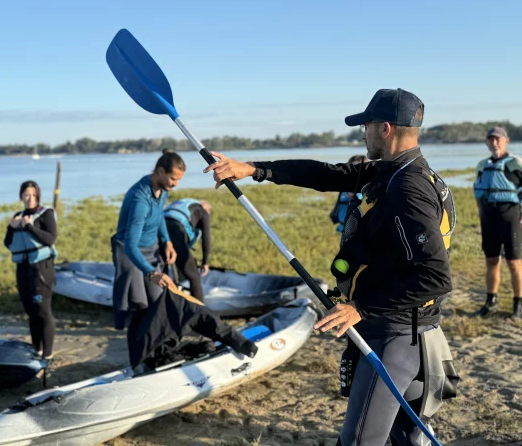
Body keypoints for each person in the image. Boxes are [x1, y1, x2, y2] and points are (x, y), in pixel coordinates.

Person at [204, 88, 458, 445]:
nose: (363, 133)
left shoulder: (408, 187)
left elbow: (435, 277)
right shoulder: (396, 172)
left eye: (366, 126)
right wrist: (254, 170)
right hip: (407, 331)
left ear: (385, 128)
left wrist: (360, 308)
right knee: (402, 439)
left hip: (396, 337)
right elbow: (326, 174)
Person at [111, 150, 182, 355]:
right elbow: (131, 246)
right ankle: (137, 357)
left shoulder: (162, 189)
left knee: (159, 302)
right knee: (140, 308)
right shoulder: (139, 199)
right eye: (173, 178)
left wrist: (167, 241)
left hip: (151, 250)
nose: (175, 184)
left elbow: (159, 216)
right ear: (160, 171)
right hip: (130, 254)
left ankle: (156, 350)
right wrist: (152, 273)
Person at [4, 180, 58, 360]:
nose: (30, 198)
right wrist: (11, 228)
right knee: (31, 311)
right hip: (23, 268)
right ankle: (37, 349)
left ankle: (48, 354)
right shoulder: (17, 216)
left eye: (33, 195)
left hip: (41, 269)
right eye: (26, 195)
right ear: (21, 196)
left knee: (43, 310)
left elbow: (50, 239)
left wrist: (29, 226)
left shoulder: (46, 214)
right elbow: (8, 243)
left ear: (38, 196)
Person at [473, 126, 522, 318]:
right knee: (491, 260)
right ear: (486, 142)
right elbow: (477, 189)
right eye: (490, 139)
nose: (494, 143)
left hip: (510, 215)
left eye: (498, 139)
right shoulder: (482, 165)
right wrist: (481, 213)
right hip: (489, 217)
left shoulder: (515, 163)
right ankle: (490, 301)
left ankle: (518, 304)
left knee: (514, 262)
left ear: (506, 140)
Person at [163, 198, 212, 301]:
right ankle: (198, 310)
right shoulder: (203, 211)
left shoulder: (183, 204)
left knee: (163, 272)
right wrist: (205, 262)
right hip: (176, 231)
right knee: (194, 276)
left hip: (159, 230)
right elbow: (206, 237)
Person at [329, 155, 368, 233]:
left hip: (359, 231)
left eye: (358, 168)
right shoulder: (343, 188)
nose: (355, 172)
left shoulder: (368, 188)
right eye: (352, 168)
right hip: (342, 228)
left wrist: (357, 197)